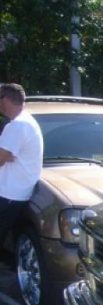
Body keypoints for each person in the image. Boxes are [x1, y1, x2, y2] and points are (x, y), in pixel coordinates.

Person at [0, 83, 43, 267]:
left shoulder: (17, 126)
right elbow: (7, 155)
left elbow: (1, 158)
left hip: (9, 193)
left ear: (6, 100)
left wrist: (5, 155)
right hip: (16, 192)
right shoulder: (26, 121)